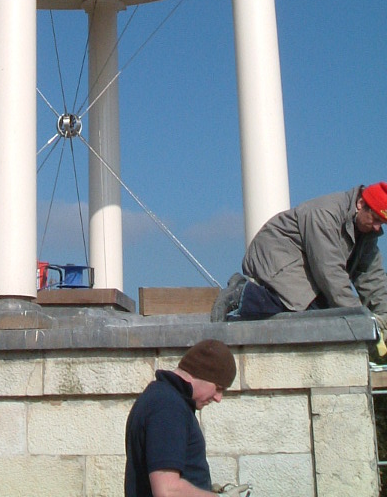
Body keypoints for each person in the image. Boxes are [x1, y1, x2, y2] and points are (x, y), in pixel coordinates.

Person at [211, 183, 387, 330]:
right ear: (361, 203)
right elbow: (329, 272)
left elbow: (372, 277)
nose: (378, 228)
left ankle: (246, 291)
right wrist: (358, 317)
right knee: (306, 309)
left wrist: (384, 319)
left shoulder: (367, 232)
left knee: (322, 310)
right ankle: (242, 293)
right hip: (276, 254)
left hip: (303, 262)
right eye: (376, 219)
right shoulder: (325, 215)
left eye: (382, 222)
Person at [124, 339, 244, 497]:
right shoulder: (167, 407)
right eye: (218, 388)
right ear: (201, 373)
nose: (218, 398)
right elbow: (167, 490)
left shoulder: (162, 399)